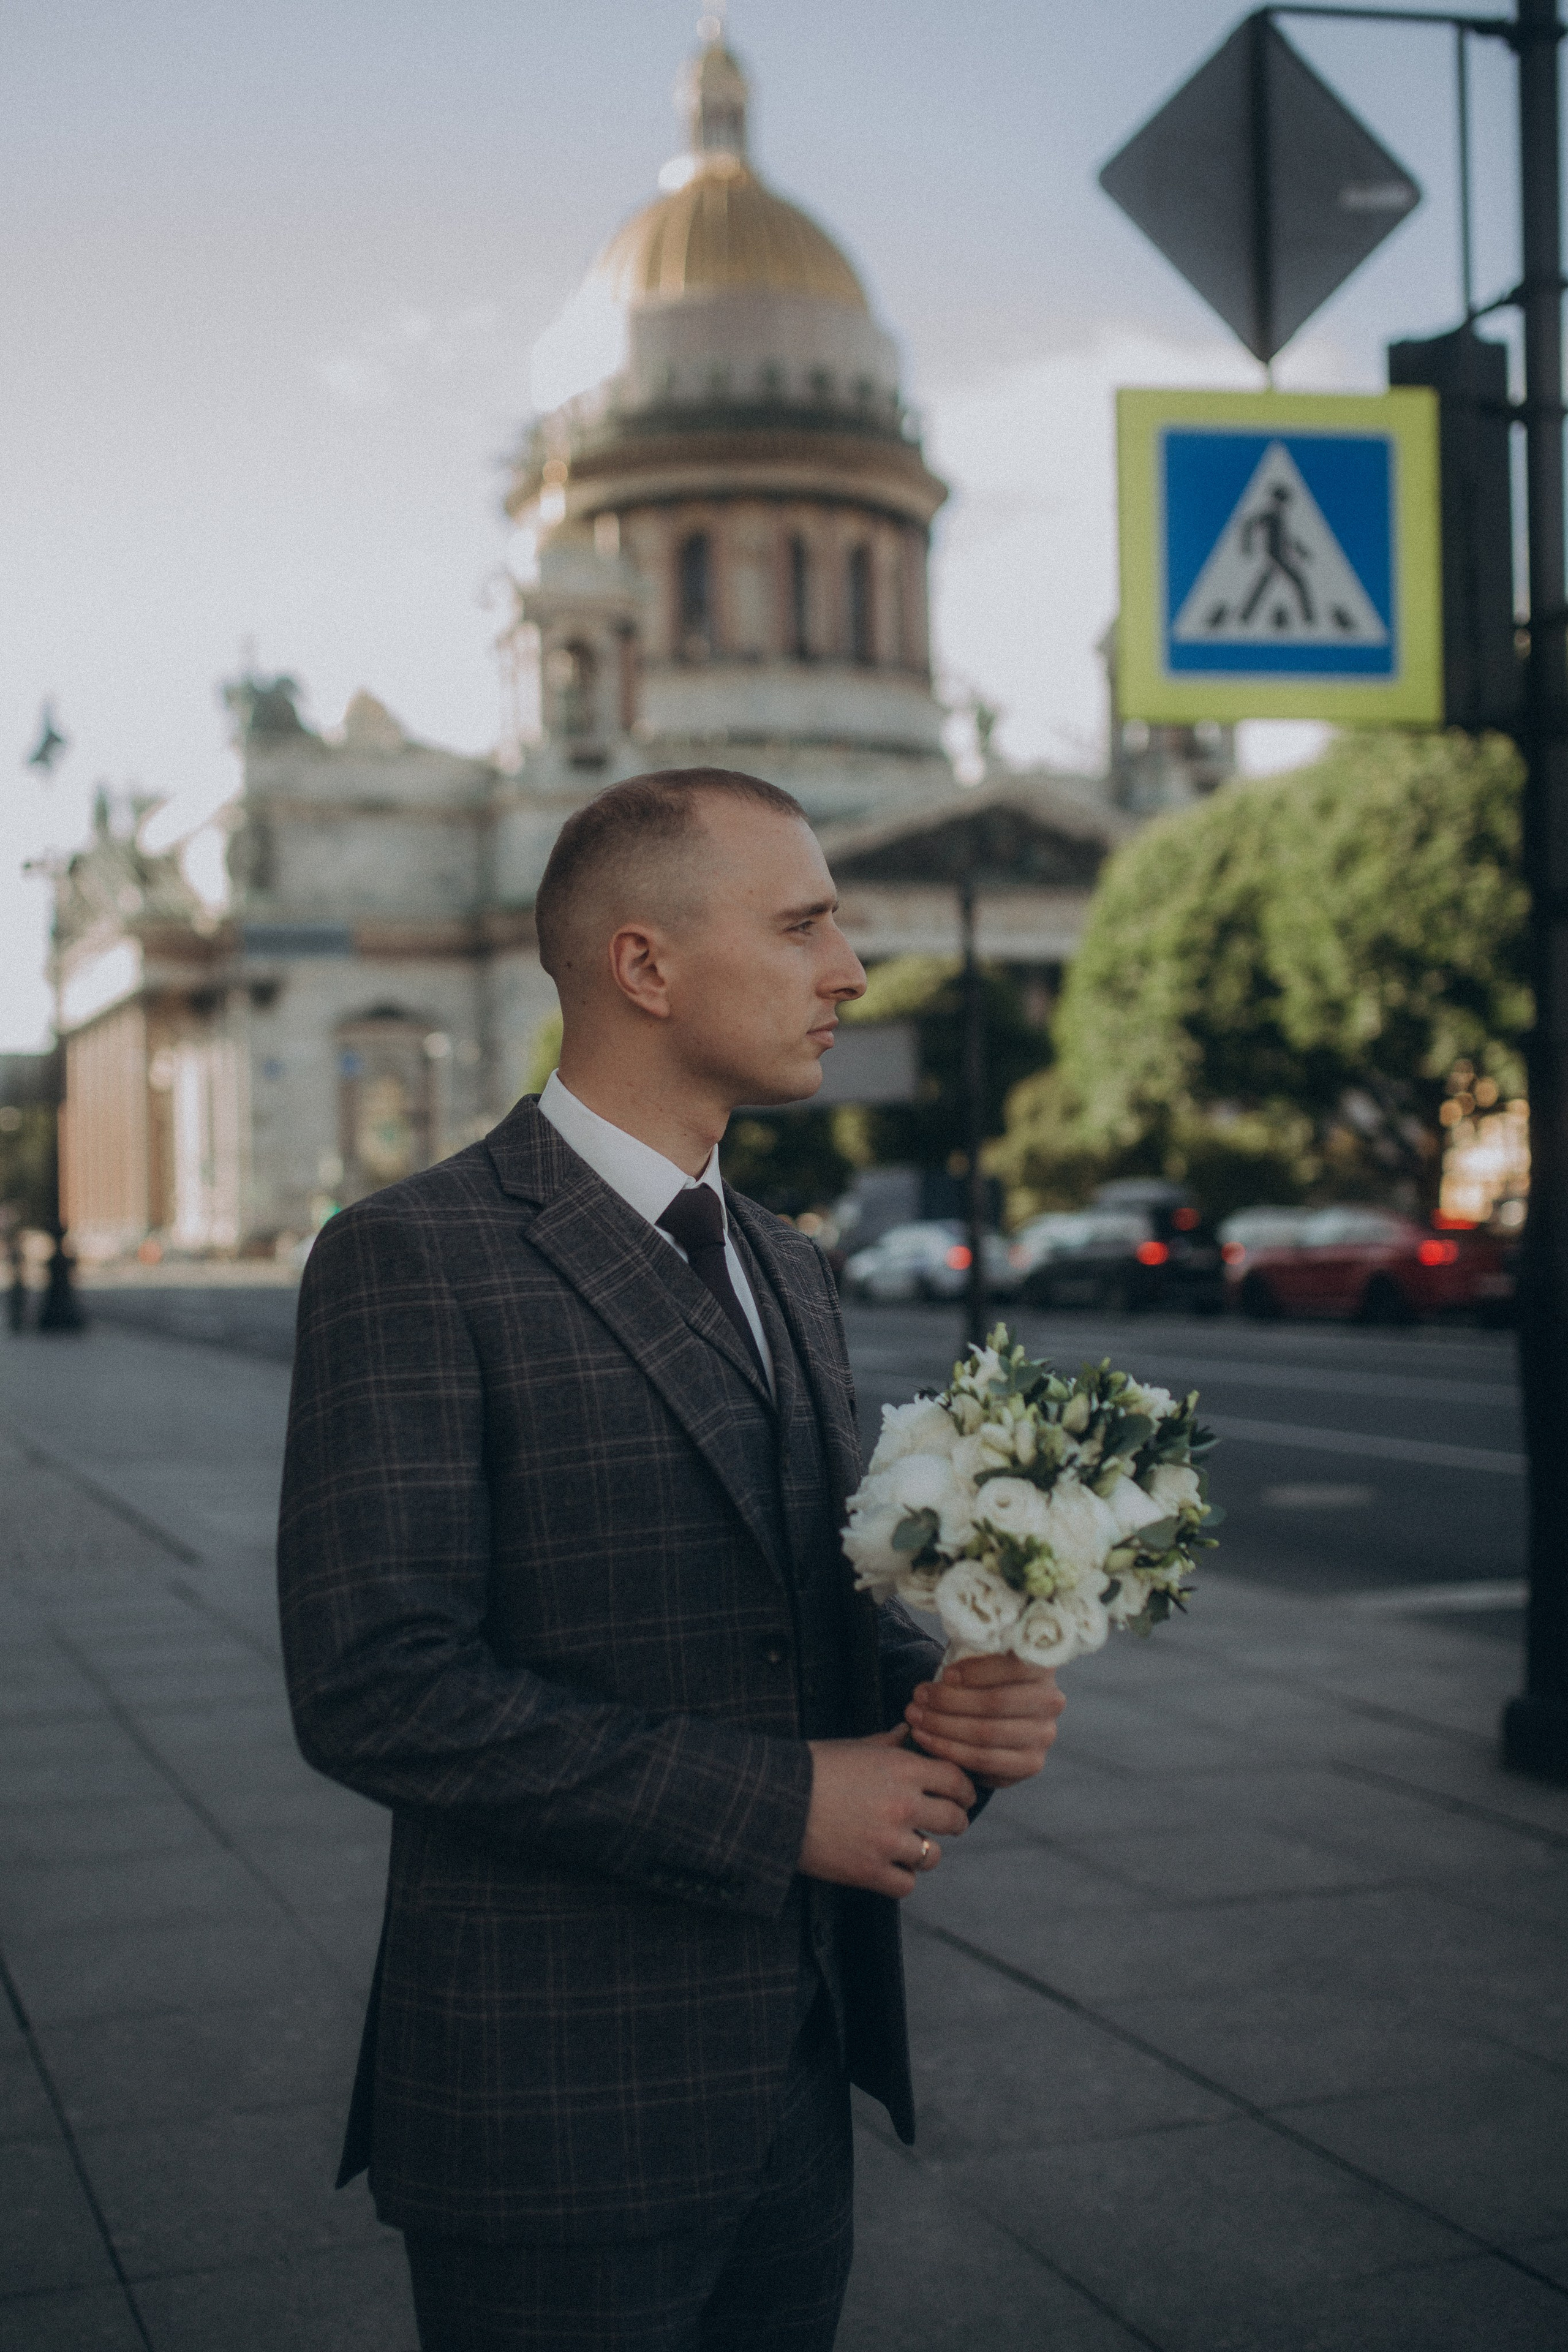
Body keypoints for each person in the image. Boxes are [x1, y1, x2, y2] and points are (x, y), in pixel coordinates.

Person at [277, 768, 1065, 2352]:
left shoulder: (789, 1260)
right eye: (802, 926)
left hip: (796, 2082)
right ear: (644, 966)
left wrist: (947, 1710)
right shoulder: (415, 1256)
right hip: (557, 2111)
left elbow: (802, 1596)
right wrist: (792, 1803)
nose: (849, 970)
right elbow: (377, 1690)